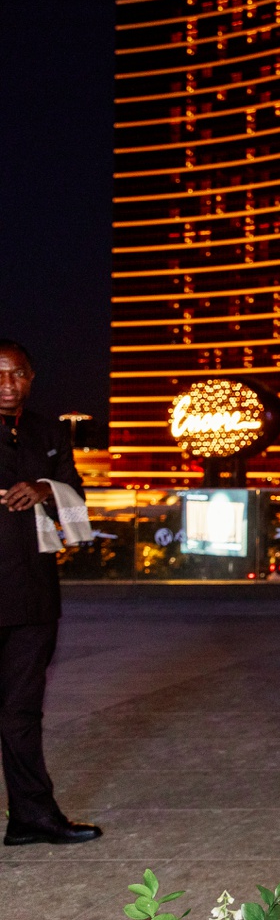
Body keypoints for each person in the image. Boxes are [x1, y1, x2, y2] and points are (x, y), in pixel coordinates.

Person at [0, 339, 100, 845]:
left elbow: (75, 493)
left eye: (17, 374)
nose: (8, 384)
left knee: (21, 711)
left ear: (31, 378)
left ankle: (32, 817)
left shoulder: (48, 430)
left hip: (31, 594)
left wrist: (45, 487)